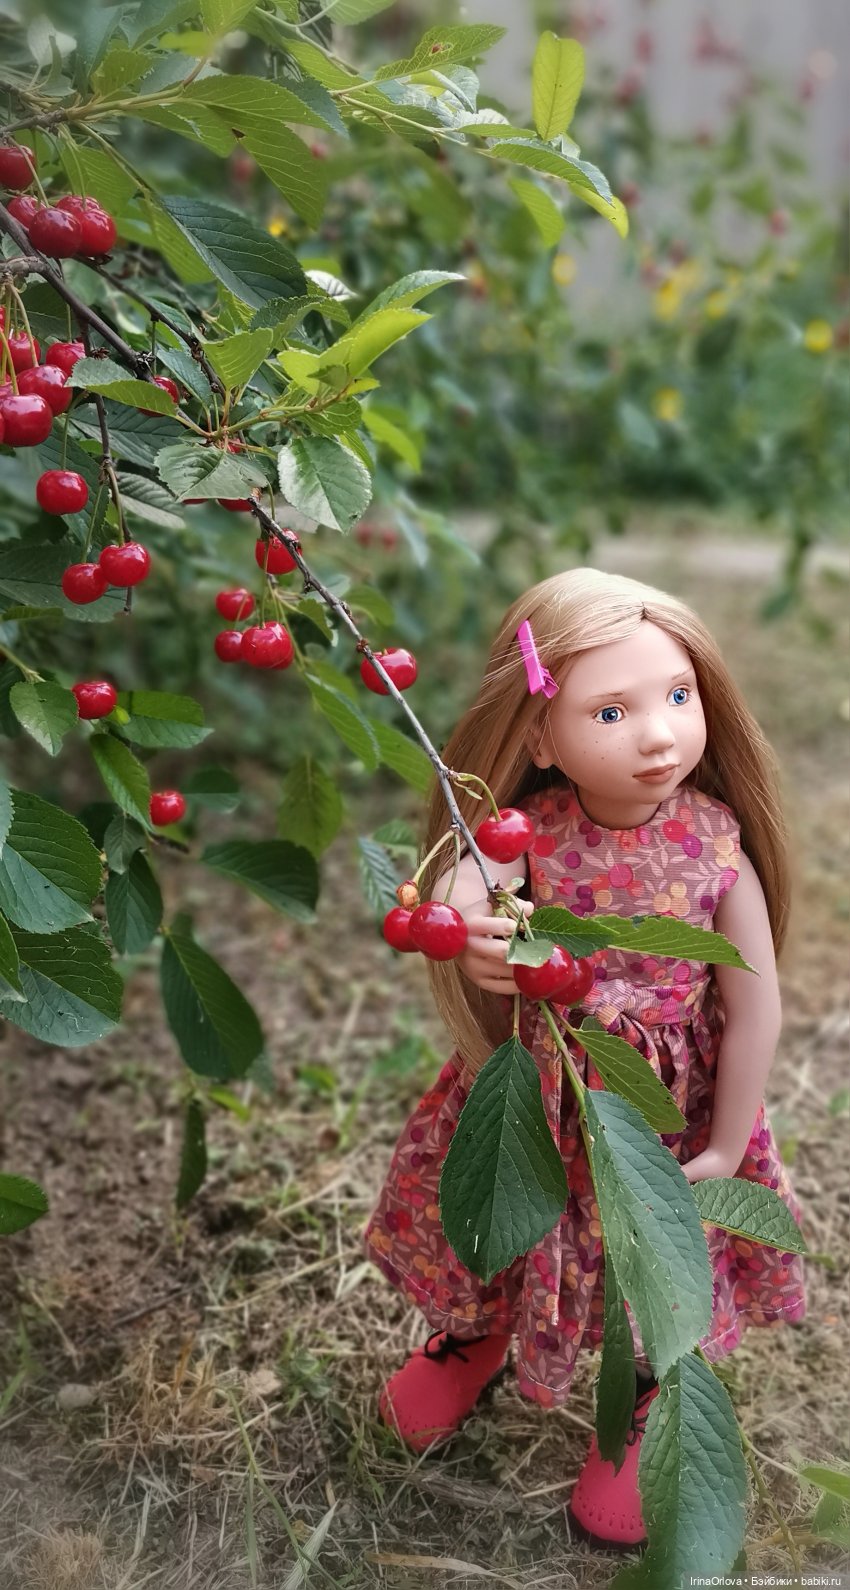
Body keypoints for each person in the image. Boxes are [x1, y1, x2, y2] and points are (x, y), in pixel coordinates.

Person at [362, 567, 807, 1550]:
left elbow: (753, 999)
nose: (658, 733)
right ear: (536, 736)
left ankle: (643, 1395)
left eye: (678, 697)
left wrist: (729, 1138)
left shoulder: (716, 845)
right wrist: (473, 927)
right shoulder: (532, 831)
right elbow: (477, 884)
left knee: (641, 1253)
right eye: (612, 710)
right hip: (539, 1086)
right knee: (498, 1212)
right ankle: (475, 1334)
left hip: (658, 1112)